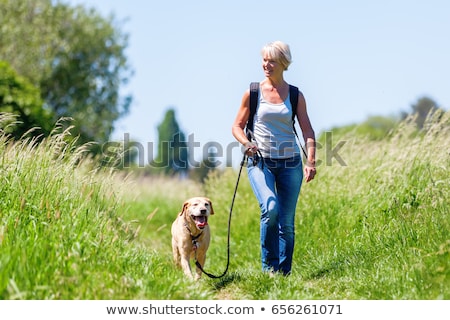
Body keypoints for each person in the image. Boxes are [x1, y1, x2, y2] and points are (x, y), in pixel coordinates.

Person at [231, 40, 316, 276]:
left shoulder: (296, 95)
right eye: (264, 60)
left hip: (291, 164)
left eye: (272, 61)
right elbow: (236, 126)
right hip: (261, 162)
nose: (266, 64)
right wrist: (246, 143)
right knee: (270, 208)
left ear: (283, 63)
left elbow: (308, 131)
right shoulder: (253, 92)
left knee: (286, 223)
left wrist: (311, 161)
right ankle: (269, 270)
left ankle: (283, 274)